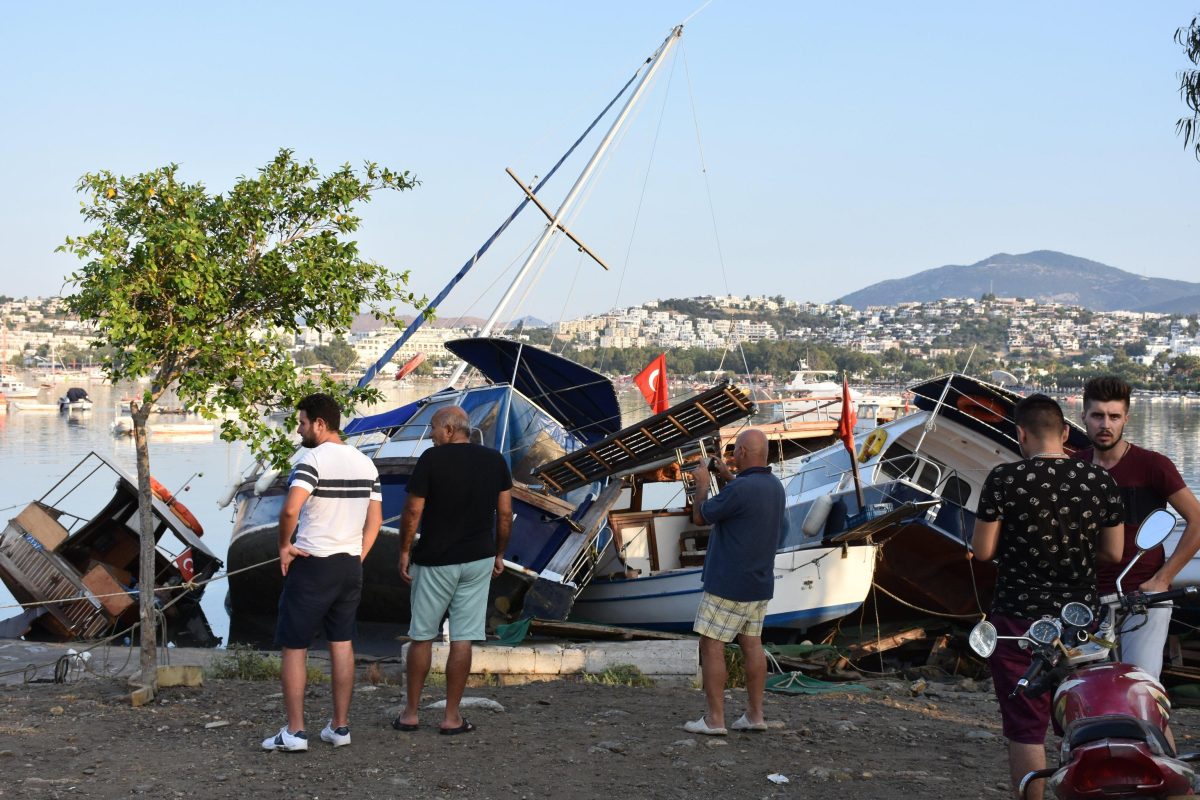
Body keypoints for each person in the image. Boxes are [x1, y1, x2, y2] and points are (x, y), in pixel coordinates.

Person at [972, 393, 1124, 800]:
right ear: (1065, 433)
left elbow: (983, 551)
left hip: (1017, 621)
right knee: (1080, 716)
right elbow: (1114, 552)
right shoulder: (1100, 480)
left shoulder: (1004, 479)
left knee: (1026, 725)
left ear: (1021, 434)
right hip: (1081, 624)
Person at [262, 393, 382, 752]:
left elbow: (289, 511)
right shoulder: (366, 464)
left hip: (314, 563)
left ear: (319, 423)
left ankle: (296, 732)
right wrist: (357, 557)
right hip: (348, 564)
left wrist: (284, 546)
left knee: (295, 646)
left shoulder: (312, 459)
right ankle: (339, 727)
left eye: (301, 423)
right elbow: (373, 521)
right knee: (342, 644)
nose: (299, 430)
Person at [392, 405, 512, 735]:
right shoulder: (495, 461)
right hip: (478, 559)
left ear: (448, 430)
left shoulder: (432, 460)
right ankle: (451, 717)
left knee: (421, 637)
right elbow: (504, 514)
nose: (430, 435)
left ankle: (411, 714)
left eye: (432, 428)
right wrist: (500, 553)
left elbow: (412, 512)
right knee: (463, 639)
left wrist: (404, 551)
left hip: (434, 561)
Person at [1079, 375, 1200, 679]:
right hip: (1087, 598)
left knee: (1140, 684)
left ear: (1126, 419)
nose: (1105, 424)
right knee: (1088, 686)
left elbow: (1197, 520)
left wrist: (1163, 579)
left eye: (1114, 416)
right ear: (1084, 417)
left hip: (1144, 596)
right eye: (1097, 416)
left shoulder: (1152, 465)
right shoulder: (1074, 467)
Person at [683, 428, 787, 736]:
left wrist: (702, 483)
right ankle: (755, 715)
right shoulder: (773, 486)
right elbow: (743, 497)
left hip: (729, 584)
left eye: (735, 452)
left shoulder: (740, 490)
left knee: (711, 644)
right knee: (752, 645)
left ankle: (715, 719)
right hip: (758, 584)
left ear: (741, 452)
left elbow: (701, 516)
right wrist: (728, 477)